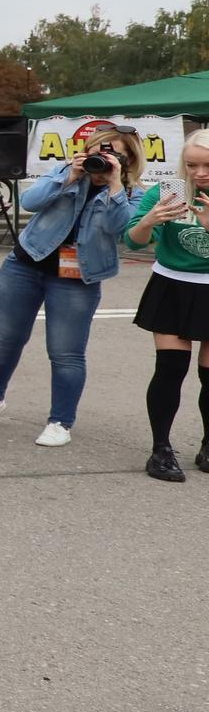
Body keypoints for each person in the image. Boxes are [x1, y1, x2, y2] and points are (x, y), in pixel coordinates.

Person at [0, 127, 136, 449]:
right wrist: (68, 177)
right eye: (98, 150)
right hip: (25, 264)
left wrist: (115, 185)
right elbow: (29, 201)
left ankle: (60, 421)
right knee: (6, 340)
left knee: (66, 353)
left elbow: (121, 229)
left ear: (127, 160)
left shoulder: (131, 192)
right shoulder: (66, 172)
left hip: (77, 277)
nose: (103, 157)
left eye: (113, 152)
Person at [124, 133, 209, 481]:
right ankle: (161, 449)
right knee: (171, 368)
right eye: (192, 165)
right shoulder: (170, 190)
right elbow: (132, 239)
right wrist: (149, 220)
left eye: (207, 166)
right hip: (172, 285)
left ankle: (208, 444)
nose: (199, 173)